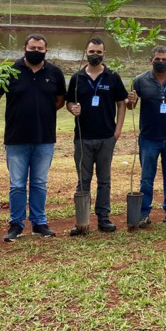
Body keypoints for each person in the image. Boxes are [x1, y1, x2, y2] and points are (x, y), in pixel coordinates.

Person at [0, 33, 66, 242]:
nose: (36, 51)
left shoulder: (55, 73)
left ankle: (39, 223)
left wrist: (41, 112)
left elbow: (59, 101)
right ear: (24, 48)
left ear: (46, 50)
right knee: (17, 184)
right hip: (16, 138)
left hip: (44, 137)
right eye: (32, 48)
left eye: (40, 49)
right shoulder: (9, 71)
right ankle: (16, 224)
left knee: (39, 182)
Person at [66, 37, 129, 235]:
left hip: (106, 137)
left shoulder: (112, 76)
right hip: (83, 137)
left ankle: (104, 218)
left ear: (104, 53)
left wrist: (117, 130)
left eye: (99, 52)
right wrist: (72, 108)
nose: (95, 55)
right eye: (92, 51)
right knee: (83, 180)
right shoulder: (77, 78)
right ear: (86, 51)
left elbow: (122, 103)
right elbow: (69, 102)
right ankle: (82, 221)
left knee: (104, 180)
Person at [128, 45, 166, 226]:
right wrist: (129, 101)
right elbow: (131, 106)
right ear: (150, 60)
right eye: (157, 59)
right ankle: (143, 213)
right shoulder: (139, 80)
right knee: (147, 178)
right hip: (148, 138)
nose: (160, 62)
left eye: (164, 59)